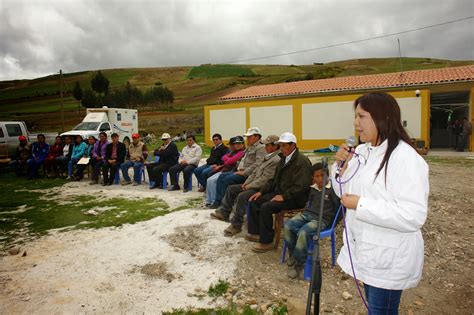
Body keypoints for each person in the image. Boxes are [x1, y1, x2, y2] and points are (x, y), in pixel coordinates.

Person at [333, 92, 429, 314]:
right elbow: (342, 193)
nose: (356, 123)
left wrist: (361, 205)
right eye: (355, 116)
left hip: (388, 259)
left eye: (361, 116)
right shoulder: (361, 151)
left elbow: (413, 215)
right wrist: (341, 168)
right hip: (367, 252)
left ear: (382, 117)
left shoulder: (406, 158)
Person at [246, 132, 312, 253]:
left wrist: (284, 196)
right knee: (255, 201)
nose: (281, 148)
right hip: (281, 193)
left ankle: (267, 242)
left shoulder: (301, 161)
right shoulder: (284, 159)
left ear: (293, 145)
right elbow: (273, 180)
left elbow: (301, 186)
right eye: (280, 145)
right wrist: (261, 192)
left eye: (284, 145)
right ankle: (258, 233)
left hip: (295, 198)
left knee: (266, 207)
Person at [210, 135, 281, 237]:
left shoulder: (275, 160)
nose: (265, 147)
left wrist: (250, 186)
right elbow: (255, 172)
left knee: (242, 196)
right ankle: (224, 212)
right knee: (231, 189)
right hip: (253, 184)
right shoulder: (268, 156)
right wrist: (246, 183)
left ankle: (236, 225)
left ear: (275, 146)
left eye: (268, 145)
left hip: (262, 188)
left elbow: (265, 180)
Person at [283, 163, 340, 279]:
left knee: (303, 233)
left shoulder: (333, 191)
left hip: (322, 220)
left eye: (322, 176)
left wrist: (332, 223)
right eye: (316, 176)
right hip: (307, 215)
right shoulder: (313, 189)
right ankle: (293, 254)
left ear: (327, 175)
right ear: (312, 178)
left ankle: (299, 265)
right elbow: (310, 203)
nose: (319, 179)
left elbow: (339, 209)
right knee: (288, 226)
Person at [211, 127, 266, 208]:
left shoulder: (260, 148)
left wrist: (244, 172)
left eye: (250, 137)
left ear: (257, 137)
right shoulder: (250, 146)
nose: (247, 139)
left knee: (227, 180)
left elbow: (257, 164)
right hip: (239, 170)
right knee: (221, 176)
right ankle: (218, 200)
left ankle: (225, 205)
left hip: (248, 174)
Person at [205, 137, 245, 206]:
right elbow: (223, 158)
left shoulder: (241, 152)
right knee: (209, 179)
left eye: (239, 143)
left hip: (230, 170)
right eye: (235, 144)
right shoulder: (232, 152)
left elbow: (227, 161)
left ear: (243, 144)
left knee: (214, 179)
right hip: (224, 169)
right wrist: (228, 160)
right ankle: (210, 200)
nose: (236, 145)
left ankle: (217, 200)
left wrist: (227, 160)